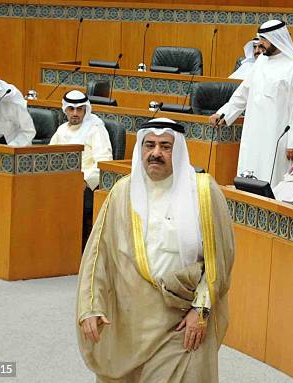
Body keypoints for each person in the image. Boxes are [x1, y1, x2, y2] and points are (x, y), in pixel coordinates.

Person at [76, 118, 234, 382]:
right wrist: (90, 306)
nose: (156, 153)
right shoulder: (122, 192)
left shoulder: (204, 193)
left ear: (179, 150)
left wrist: (201, 308)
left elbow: (220, 260)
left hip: (183, 317)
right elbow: (97, 256)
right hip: (132, 319)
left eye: (165, 146)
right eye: (149, 145)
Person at [210, 20, 293, 187]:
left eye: (264, 40)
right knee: (249, 174)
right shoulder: (261, 62)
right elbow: (244, 92)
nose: (260, 44)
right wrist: (224, 113)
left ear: (276, 39)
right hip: (254, 133)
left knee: (273, 180)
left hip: (278, 138)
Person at [49, 90, 113, 191]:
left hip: (82, 181)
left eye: (79, 109)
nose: (75, 113)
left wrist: (85, 180)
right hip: (59, 178)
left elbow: (105, 161)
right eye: (71, 109)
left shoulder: (95, 128)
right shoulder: (61, 129)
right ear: (65, 110)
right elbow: (49, 155)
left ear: (85, 110)